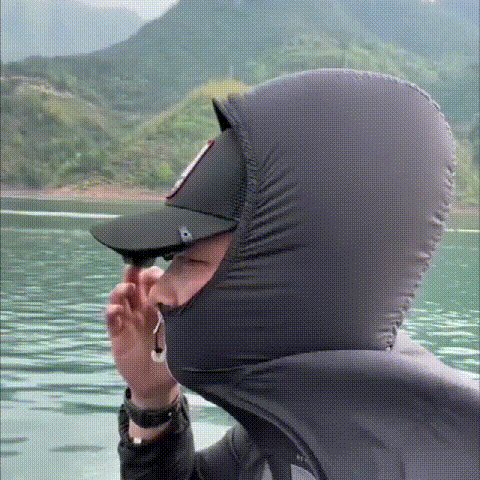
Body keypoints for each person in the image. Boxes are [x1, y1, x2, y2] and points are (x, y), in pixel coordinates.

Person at [91, 69, 479, 480]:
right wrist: (153, 401)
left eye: (190, 262)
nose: (159, 293)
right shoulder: (289, 434)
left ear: (290, 270)